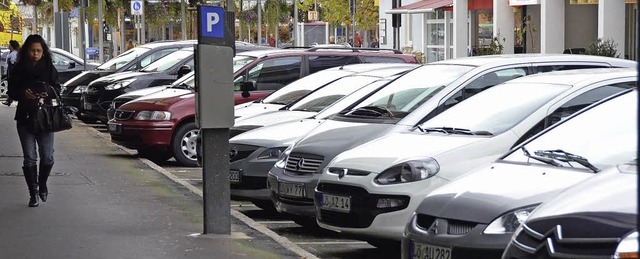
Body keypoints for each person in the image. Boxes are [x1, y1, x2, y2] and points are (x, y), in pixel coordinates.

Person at [7, 34, 61, 207]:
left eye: (39, 51)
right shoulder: (18, 69)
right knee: (30, 157)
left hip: (46, 118)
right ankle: (33, 193)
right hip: (25, 117)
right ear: (26, 51)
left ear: (44, 52)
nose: (36, 54)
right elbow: (11, 91)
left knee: (48, 157)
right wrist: (23, 93)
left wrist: (48, 92)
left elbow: (58, 89)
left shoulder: (49, 68)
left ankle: (42, 183)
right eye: (32, 50)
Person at [2, 40, 20, 106]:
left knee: (13, 86)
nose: (8, 46)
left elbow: (13, 63)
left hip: (12, 72)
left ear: (12, 46)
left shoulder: (14, 53)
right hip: (10, 71)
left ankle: (12, 100)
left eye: (9, 45)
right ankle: (9, 100)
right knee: (11, 86)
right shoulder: (11, 53)